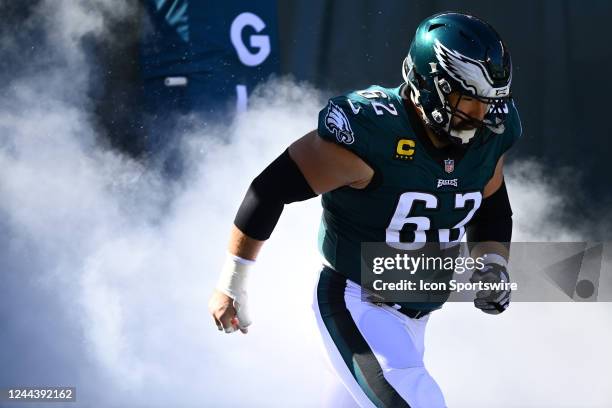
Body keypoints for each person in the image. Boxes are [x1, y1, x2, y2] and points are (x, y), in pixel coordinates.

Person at [209, 11, 520, 408]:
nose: (482, 118)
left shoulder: (489, 136)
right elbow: (267, 190)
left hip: (415, 317)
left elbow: (491, 202)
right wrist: (232, 282)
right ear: (429, 85)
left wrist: (492, 262)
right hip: (357, 302)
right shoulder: (371, 131)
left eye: (488, 103)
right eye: (469, 103)